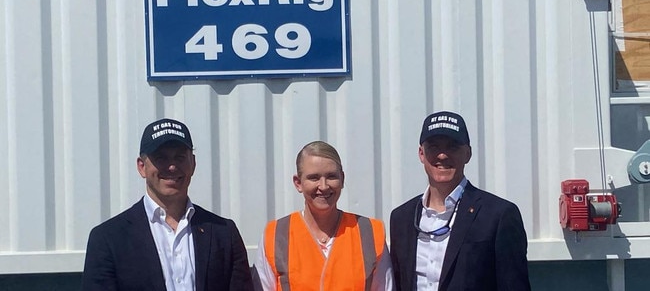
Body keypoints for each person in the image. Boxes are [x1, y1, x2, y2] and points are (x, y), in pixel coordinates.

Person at [82, 118, 254, 291]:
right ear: (142, 167)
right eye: (161, 158)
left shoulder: (223, 233)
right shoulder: (108, 238)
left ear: (193, 164)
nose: (172, 167)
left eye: (179, 157)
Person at [390, 111, 530, 291]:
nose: (442, 155)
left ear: (468, 154)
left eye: (452, 147)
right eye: (433, 147)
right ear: (421, 154)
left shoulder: (498, 215)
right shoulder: (402, 218)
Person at [253, 141, 393, 290]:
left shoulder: (369, 233)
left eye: (331, 176)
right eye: (314, 178)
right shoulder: (276, 236)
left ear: (342, 179)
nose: (324, 186)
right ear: (298, 183)